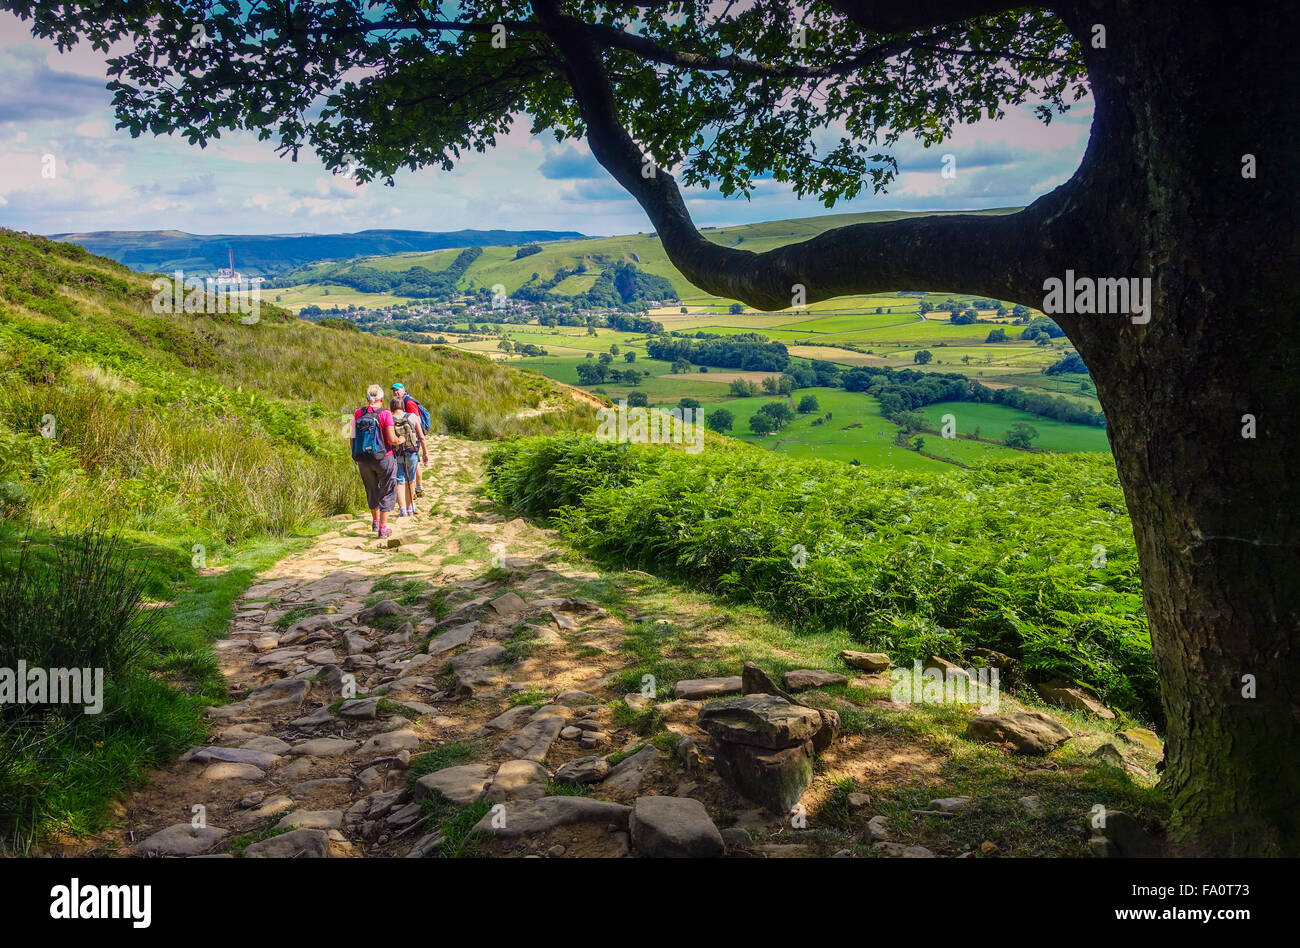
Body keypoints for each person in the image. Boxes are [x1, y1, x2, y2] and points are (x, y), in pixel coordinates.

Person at [352, 384, 401, 538]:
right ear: (381, 399)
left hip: (363, 459)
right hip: (383, 458)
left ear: (367, 398)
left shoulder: (357, 413)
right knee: (387, 490)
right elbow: (392, 439)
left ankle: (374, 521)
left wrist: (355, 455)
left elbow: (350, 437)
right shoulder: (385, 414)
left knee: (371, 489)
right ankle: (383, 528)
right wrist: (402, 439)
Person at [391, 383, 428, 496]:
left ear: (404, 390)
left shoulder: (409, 402)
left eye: (398, 390)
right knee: (413, 463)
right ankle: (416, 489)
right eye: (394, 391)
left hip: (412, 437)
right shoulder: (402, 401)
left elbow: (417, 420)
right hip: (409, 436)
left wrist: (414, 435)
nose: (395, 392)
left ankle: (418, 488)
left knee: (415, 463)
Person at [389, 401, 425, 517]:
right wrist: (425, 453)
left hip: (397, 453)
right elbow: (421, 436)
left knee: (400, 480)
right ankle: (410, 508)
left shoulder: (390, 419)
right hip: (412, 452)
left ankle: (402, 509)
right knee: (411, 479)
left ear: (392, 407)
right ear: (403, 407)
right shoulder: (412, 416)